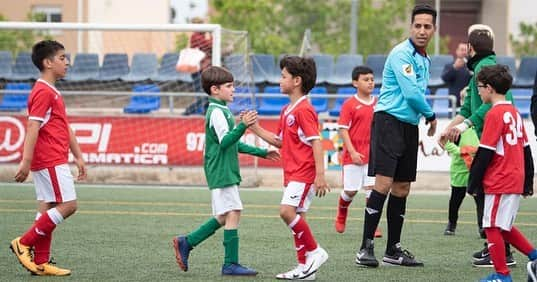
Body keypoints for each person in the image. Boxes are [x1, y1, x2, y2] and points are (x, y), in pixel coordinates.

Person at [172, 66, 279, 276]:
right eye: (229, 86)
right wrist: (243, 126)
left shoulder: (222, 111)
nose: (233, 90)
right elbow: (225, 142)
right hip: (221, 170)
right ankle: (230, 263)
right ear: (215, 89)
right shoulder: (217, 113)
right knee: (234, 212)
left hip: (223, 169)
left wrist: (262, 152)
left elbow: (233, 144)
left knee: (224, 215)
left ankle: (186, 242)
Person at [355, 4, 437, 268]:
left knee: (402, 187)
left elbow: (415, 96)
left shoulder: (424, 59)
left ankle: (393, 250)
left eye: (427, 26)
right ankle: (365, 247)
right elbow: (412, 94)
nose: (422, 30)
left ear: (433, 29)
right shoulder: (401, 53)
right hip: (388, 122)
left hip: (408, 126)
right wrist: (432, 115)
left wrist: (421, 117)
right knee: (383, 183)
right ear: (410, 27)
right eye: (418, 25)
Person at [248, 56, 329, 280]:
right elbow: (280, 141)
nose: (279, 80)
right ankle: (304, 268)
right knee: (297, 216)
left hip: (304, 173)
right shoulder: (287, 110)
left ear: (297, 81)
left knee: (286, 212)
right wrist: (254, 128)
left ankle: (316, 251)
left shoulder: (304, 110)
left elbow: (317, 141)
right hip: (293, 172)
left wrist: (320, 176)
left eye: (283, 76)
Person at [10, 40, 87, 276]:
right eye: (62, 58)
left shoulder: (52, 90)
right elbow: (33, 126)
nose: (67, 62)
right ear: (47, 62)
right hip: (50, 159)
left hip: (54, 158)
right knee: (69, 205)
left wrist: (78, 156)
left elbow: (64, 127)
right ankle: (24, 242)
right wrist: (25, 160)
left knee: (48, 207)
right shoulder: (43, 91)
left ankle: (41, 263)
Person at [443, 24, 516, 267]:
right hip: (494, 141)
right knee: (488, 198)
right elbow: (468, 108)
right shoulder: (481, 69)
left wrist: (463, 127)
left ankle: (501, 252)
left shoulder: (485, 68)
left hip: (496, 144)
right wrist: (450, 127)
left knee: (489, 198)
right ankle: (497, 248)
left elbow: (488, 107)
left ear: (471, 49)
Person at [467, 64, 537, 282]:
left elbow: (485, 152)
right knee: (503, 226)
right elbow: (526, 149)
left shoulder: (495, 114)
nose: (478, 91)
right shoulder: (514, 112)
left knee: (490, 225)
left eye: (479, 87)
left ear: (489, 88)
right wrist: (528, 179)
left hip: (500, 179)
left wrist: (473, 183)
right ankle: (535, 258)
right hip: (514, 177)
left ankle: (502, 275)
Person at [334, 65, 382, 238]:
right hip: (353, 156)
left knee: (372, 191)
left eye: (372, 79)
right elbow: (343, 130)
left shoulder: (379, 103)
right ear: (355, 82)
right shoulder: (349, 104)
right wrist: (352, 152)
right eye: (365, 79)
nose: (370, 83)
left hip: (373, 156)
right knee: (351, 191)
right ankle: (341, 212)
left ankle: (372, 225)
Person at [437, 89, 479, 236]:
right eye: (464, 99)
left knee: (480, 200)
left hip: (477, 169)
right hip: (459, 171)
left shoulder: (480, 121)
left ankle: (483, 227)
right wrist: (463, 152)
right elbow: (444, 143)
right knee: (455, 200)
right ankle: (451, 224)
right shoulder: (456, 124)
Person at [182, 17, 213, 115]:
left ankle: (206, 113)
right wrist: (212, 35)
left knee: (208, 92)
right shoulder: (196, 36)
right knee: (201, 94)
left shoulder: (202, 36)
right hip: (198, 70)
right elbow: (209, 45)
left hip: (205, 69)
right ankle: (187, 112)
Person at [441, 42, 472, 107]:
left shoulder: (472, 66)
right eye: (462, 50)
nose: (464, 52)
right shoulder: (449, 66)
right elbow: (444, 79)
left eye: (466, 50)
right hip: (454, 102)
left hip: (469, 101)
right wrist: (454, 67)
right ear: (457, 51)